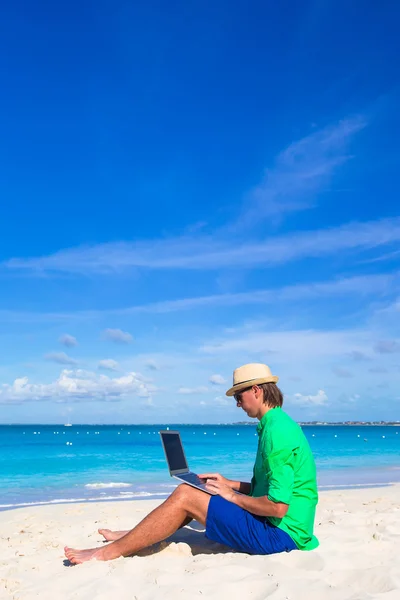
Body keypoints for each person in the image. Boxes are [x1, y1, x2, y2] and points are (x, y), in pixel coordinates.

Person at [64, 363, 319, 564]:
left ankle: (109, 552)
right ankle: (134, 536)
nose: (238, 404)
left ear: (256, 390)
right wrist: (227, 484)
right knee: (199, 489)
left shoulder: (277, 433)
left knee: (187, 495)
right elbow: (265, 490)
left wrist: (232, 497)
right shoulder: (276, 424)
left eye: (239, 397)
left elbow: (277, 507)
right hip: (280, 528)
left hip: (281, 535)